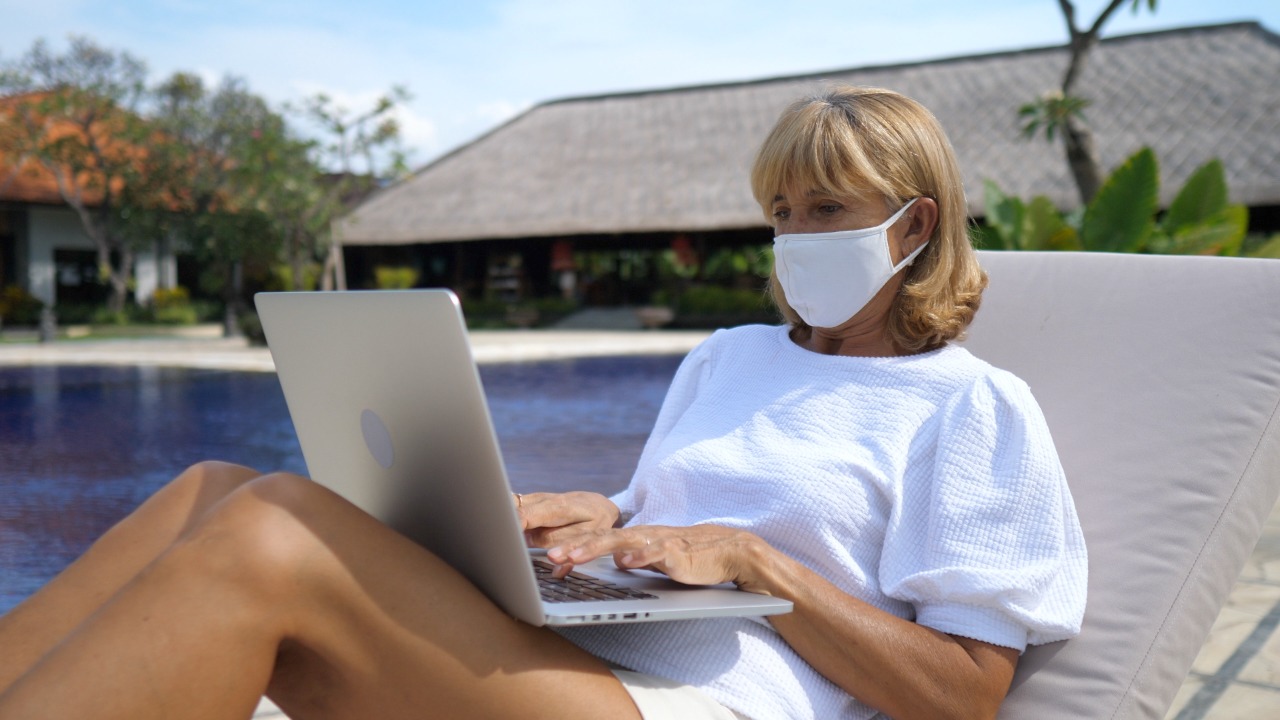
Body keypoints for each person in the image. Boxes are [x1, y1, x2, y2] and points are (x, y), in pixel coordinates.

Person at [0, 86, 1087, 720]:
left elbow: (963, 693)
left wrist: (760, 565)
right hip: (586, 653)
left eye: (827, 210)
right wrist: (601, 518)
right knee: (212, 487)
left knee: (268, 536)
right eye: (782, 212)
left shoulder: (973, 408)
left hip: (695, 709)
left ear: (912, 226)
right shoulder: (729, 356)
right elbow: (658, 514)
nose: (797, 236)